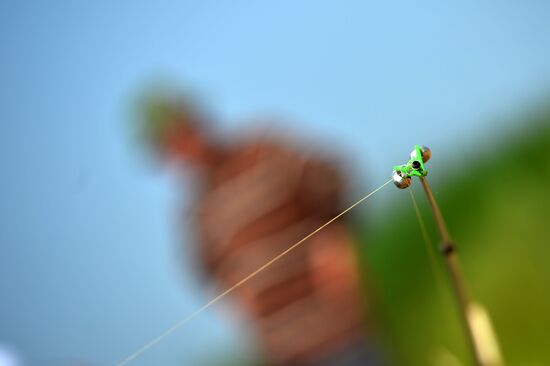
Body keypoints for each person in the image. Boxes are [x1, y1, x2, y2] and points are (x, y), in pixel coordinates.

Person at [139, 89, 378, 365]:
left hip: (339, 329)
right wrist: (236, 297)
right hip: (284, 352)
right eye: (171, 145)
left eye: (185, 132)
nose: (185, 148)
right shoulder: (197, 217)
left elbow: (334, 177)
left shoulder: (264, 153)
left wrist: (334, 237)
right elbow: (205, 271)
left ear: (200, 121)